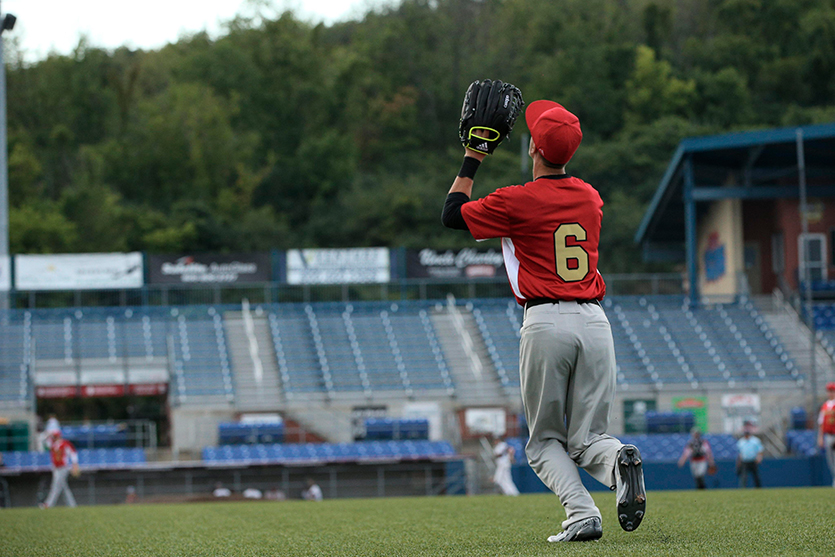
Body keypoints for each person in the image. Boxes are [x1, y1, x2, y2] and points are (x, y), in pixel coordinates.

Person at [442, 98, 645, 542]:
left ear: (534, 146)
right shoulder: (591, 197)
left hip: (545, 322)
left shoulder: (516, 200)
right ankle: (617, 463)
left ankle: (582, 514)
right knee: (588, 437)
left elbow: (452, 213)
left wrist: (474, 155)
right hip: (595, 321)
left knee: (542, 444)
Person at [41, 430, 80, 508]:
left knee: (55, 486)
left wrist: (75, 465)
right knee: (64, 488)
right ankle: (72, 505)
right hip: (55, 468)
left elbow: (73, 453)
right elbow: (44, 440)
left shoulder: (65, 444)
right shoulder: (53, 445)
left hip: (63, 468)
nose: (54, 438)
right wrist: (48, 434)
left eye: (55, 436)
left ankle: (48, 504)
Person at [816, 381, 835, 487]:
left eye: (832, 391)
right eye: (829, 391)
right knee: (830, 459)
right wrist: (820, 437)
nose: (831, 393)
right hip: (828, 435)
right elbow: (821, 422)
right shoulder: (825, 406)